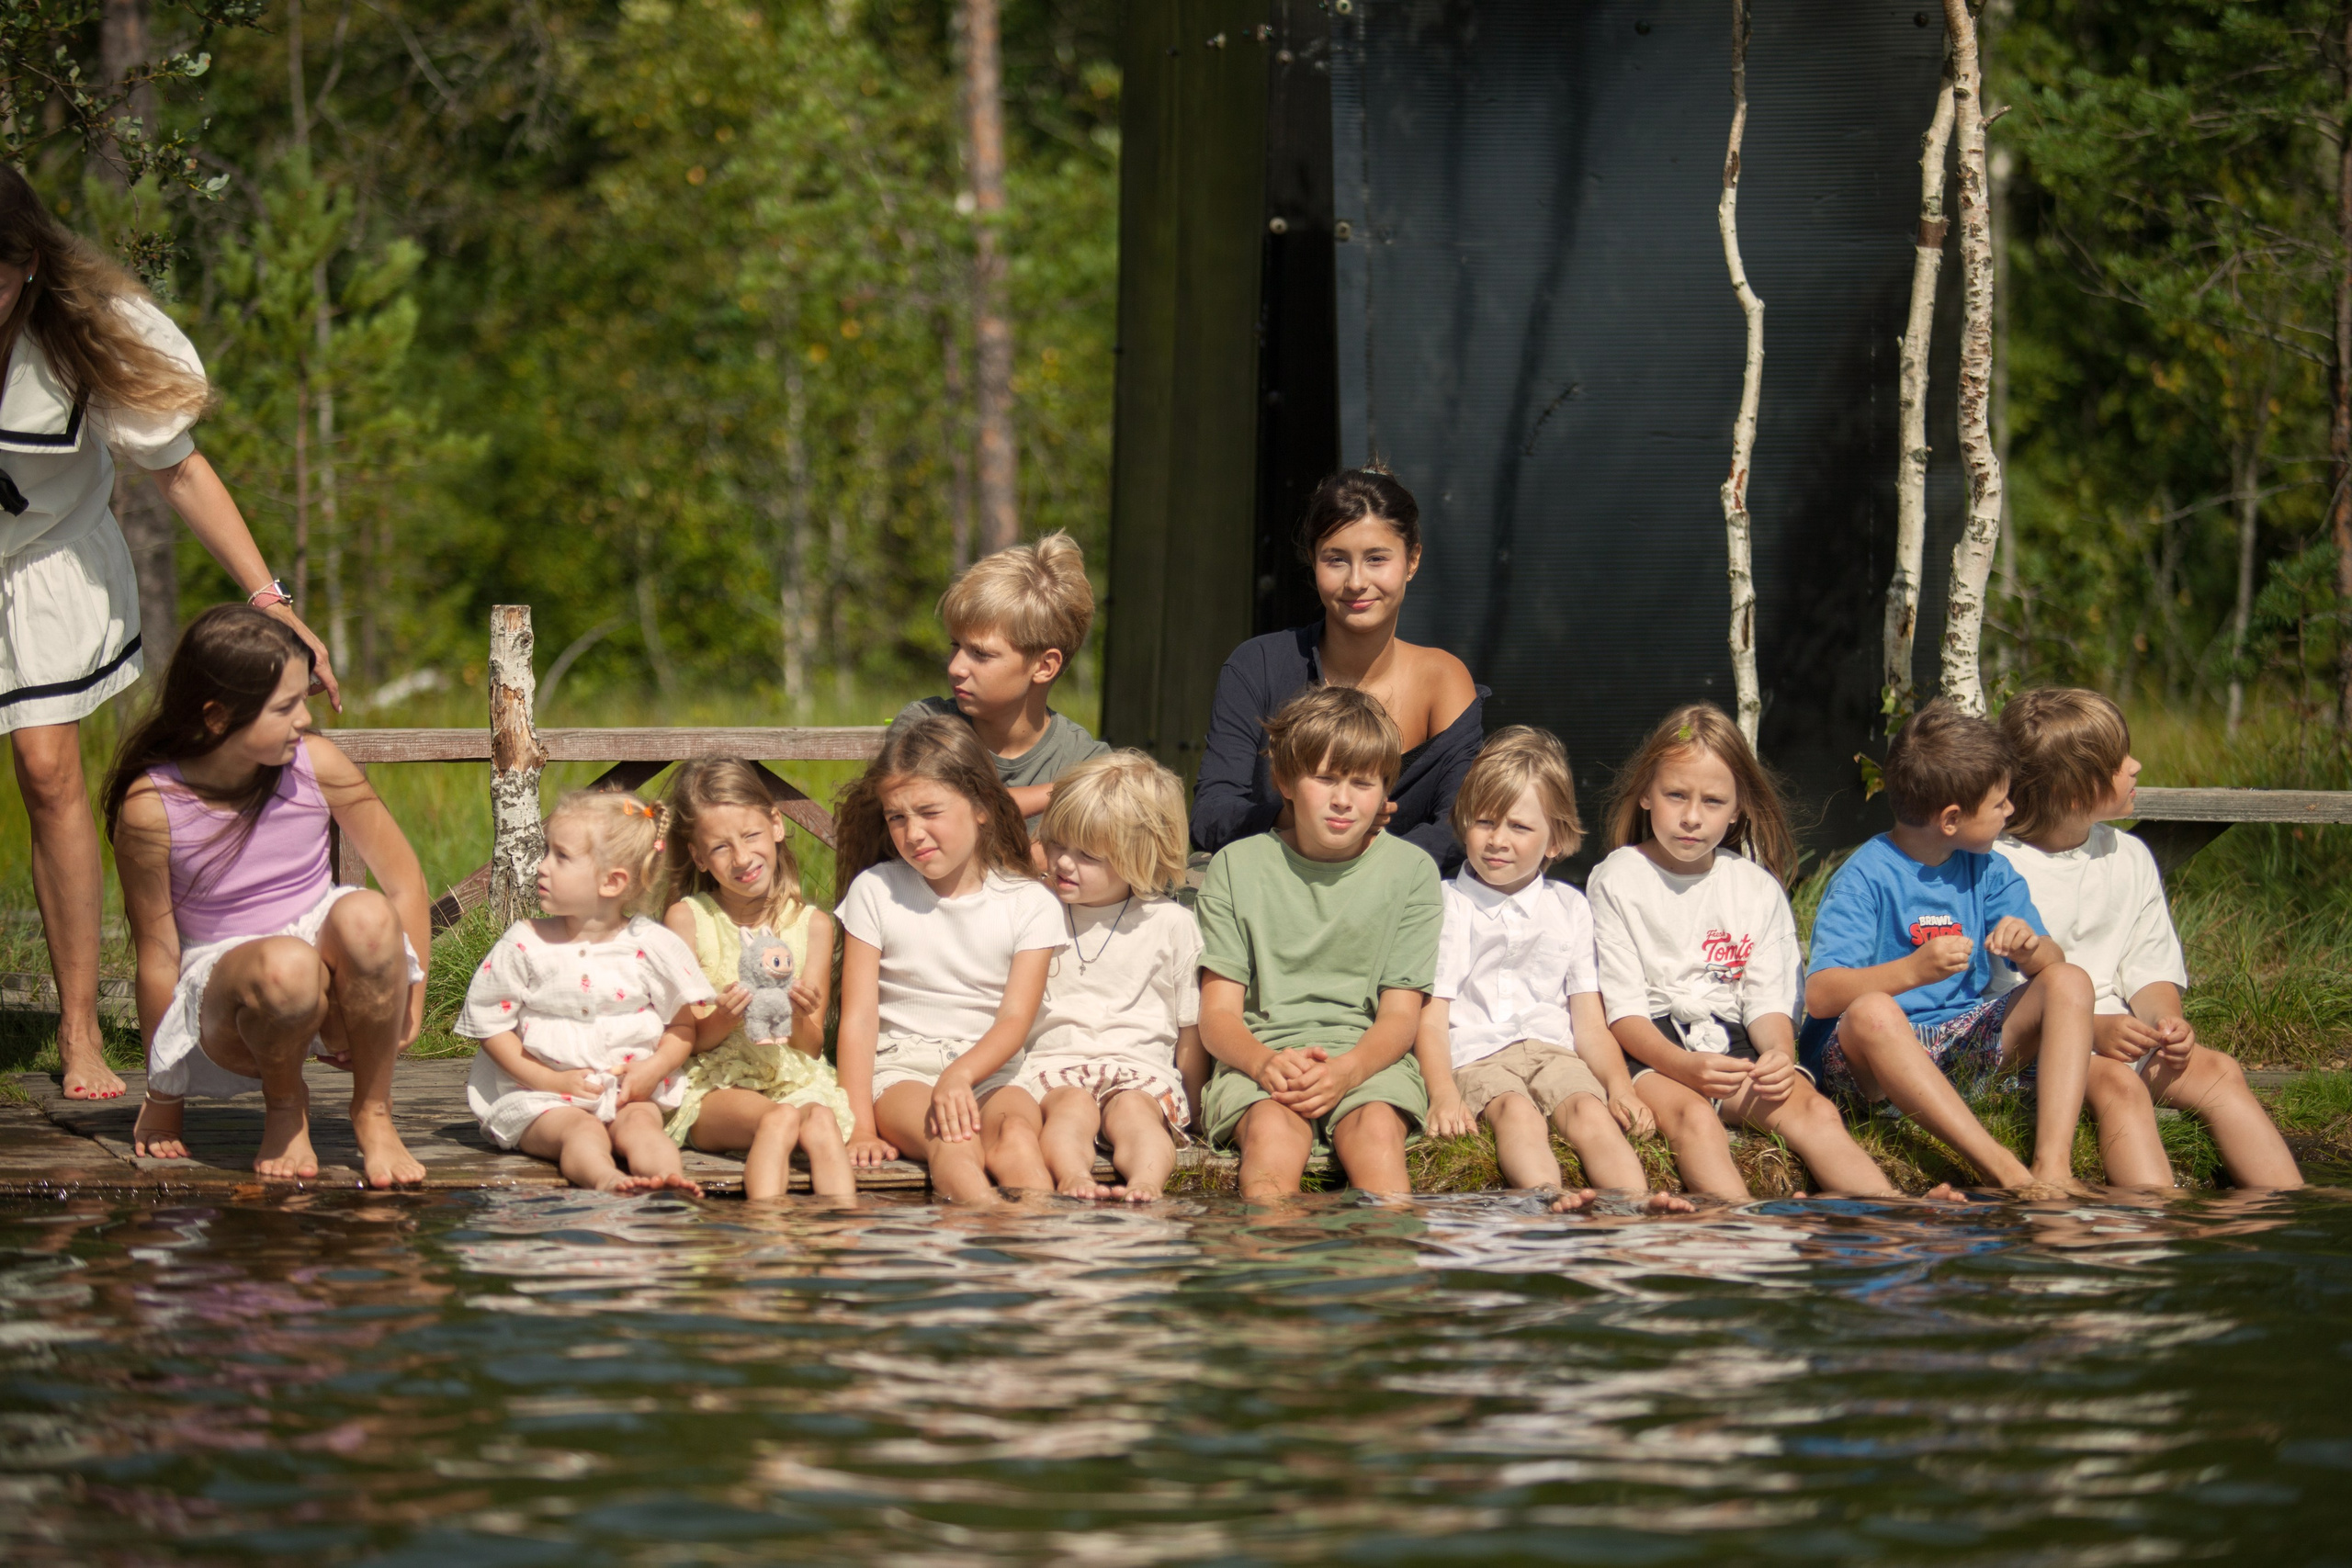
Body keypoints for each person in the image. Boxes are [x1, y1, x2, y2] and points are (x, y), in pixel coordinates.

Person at [0, 169, 339, 1102]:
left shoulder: (85, 329)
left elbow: (179, 471)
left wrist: (267, 597)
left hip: (47, 561)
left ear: (25, 268)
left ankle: (77, 1028)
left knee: (46, 767)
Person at [105, 605, 424, 1186]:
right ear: (217, 717)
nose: (305, 720)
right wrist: (162, 1095)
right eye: (285, 707)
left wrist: (413, 995)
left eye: (303, 699)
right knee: (286, 966)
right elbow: (156, 953)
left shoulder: (316, 764)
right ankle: (285, 1107)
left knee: (371, 915)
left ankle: (374, 1111)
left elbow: (403, 882)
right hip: (229, 1001)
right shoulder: (151, 806)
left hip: (328, 983)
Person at [1589, 705, 1916, 1200]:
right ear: (1646, 796)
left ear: (1738, 807)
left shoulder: (1756, 888)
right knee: (1696, 1119)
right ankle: (1743, 1230)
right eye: (1676, 795)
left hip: (1734, 1046)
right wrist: (1684, 1067)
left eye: (1713, 801)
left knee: (1816, 1112)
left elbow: (1766, 1002)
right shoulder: (1615, 878)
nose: (1692, 817)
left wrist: (1781, 1055)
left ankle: (1892, 1219)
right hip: (1650, 1051)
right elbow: (1623, 1012)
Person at [1802, 699, 2120, 1193]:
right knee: (1873, 1012)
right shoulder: (1865, 876)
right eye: (1999, 804)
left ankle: (2053, 1167)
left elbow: (2052, 967)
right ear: (1951, 819)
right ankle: (2002, 1168)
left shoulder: (1989, 869)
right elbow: (1821, 995)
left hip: (1960, 1044)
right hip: (1874, 1068)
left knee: (2069, 980)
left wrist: (2029, 949)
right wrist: (1911, 971)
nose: (2010, 811)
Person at [1995, 689, 2300, 1190]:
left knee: (2220, 1071)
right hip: (2035, 1050)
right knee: (2121, 1086)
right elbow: (2002, 994)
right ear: (2075, 793)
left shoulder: (2129, 856)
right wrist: (2092, 1030)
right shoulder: (1999, 868)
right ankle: (2148, 1227)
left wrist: (2165, 1023)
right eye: (2118, 763)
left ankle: (2284, 1211)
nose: (2135, 766)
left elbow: (2148, 966)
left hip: (2121, 1037)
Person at [1195, 686, 1442, 1200]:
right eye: (1324, 778)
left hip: (1368, 1059)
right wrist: (1264, 1063)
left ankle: (1386, 1265)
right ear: (1284, 780)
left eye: (1362, 782)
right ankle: (1270, 1263)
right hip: (1260, 1061)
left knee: (1375, 1137)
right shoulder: (1235, 867)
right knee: (1271, 1140)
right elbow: (1218, 1015)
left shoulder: (1412, 872)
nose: (1343, 799)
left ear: (1385, 790)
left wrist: (1349, 1069)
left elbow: (1400, 1015)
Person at [1191, 468, 1487, 872]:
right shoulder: (1256, 665)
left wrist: (1369, 867)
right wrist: (1299, 822)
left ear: (1412, 559)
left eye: (1377, 559)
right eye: (1336, 560)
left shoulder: (1445, 679)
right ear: (1313, 561)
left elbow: (1461, 824)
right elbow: (1211, 814)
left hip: (1401, 904)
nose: (1357, 581)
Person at [1417, 728, 1662, 1201]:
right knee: (1517, 1112)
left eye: (1519, 827)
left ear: (1555, 841)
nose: (1497, 840)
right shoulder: (1447, 905)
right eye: (1484, 821)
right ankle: (1546, 1196)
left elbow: (1588, 1020)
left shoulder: (1569, 907)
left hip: (1553, 1051)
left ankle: (1635, 1206)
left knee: (1589, 1111)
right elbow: (1432, 1015)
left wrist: (1618, 1086)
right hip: (1476, 1054)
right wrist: (1443, 1092)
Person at [831, 715, 1068, 1202]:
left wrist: (960, 1073)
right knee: (953, 1142)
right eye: (897, 817)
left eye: (928, 811)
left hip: (993, 1071)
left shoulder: (1030, 904)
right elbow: (858, 1019)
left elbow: (1015, 1020)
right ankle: (969, 1261)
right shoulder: (876, 891)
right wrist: (858, 1126)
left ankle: (1041, 1254)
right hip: (903, 1072)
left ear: (981, 807)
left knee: (1020, 1142)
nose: (913, 832)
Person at [457, 791, 714, 1194]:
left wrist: (652, 1069)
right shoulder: (526, 944)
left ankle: (668, 1179)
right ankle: (604, 1178)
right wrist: (548, 1081)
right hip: (540, 1096)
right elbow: (490, 1026)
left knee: (643, 1127)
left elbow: (681, 1026)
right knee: (579, 1132)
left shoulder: (649, 945)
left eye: (560, 856)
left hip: (625, 1091)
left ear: (612, 881)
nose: (541, 867)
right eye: (547, 852)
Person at [988, 751, 1208, 1202]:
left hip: (1140, 1067)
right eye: (1057, 845)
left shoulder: (1170, 924)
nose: (1064, 863)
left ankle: (1146, 1182)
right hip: (1056, 1063)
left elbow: (1190, 1029)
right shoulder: (1035, 911)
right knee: (1070, 1110)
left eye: (1087, 854)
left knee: (1136, 1115)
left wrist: (1194, 1105)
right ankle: (1073, 1176)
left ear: (1138, 856)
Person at [660, 759, 855, 1200]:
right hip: (717, 1082)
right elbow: (688, 1039)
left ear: (776, 825)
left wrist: (803, 1014)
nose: (743, 858)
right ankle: (766, 1235)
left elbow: (809, 1046)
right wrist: (726, 1018)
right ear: (698, 857)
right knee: (779, 1118)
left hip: (794, 1076)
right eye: (721, 848)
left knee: (820, 1119)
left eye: (750, 836)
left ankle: (845, 1239)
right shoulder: (689, 919)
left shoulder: (813, 925)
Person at [888, 530, 1109, 833]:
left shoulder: (1084, 760)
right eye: (956, 645)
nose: (956, 667)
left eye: (980, 653)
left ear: (1044, 666)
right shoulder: (924, 727)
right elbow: (949, 812)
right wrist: (1063, 791)